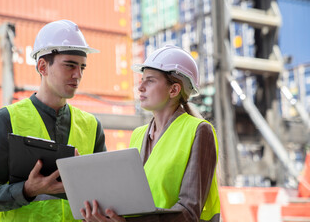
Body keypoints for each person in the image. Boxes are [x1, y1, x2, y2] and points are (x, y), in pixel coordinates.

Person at [0, 20, 106, 222]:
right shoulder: (5, 120)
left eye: (82, 67)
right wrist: (26, 190)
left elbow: (104, 193)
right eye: (70, 65)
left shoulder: (92, 126)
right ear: (42, 66)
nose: (77, 75)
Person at [81, 45, 220, 222]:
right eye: (142, 79)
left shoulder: (198, 130)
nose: (140, 87)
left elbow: (188, 212)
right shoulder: (138, 135)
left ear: (174, 90)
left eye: (150, 80)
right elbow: (130, 202)